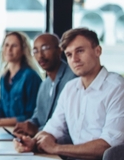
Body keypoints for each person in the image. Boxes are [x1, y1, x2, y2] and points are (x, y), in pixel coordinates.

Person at [14, 28, 124, 159]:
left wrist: (56, 148)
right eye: (69, 55)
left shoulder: (117, 88)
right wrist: (33, 142)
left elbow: (108, 145)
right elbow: (52, 129)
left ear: (98, 51)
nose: (75, 59)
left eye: (80, 51)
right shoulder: (70, 88)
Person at [13, 33, 76, 137]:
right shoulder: (44, 84)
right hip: (42, 142)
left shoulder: (73, 79)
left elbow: (67, 125)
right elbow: (37, 117)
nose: (40, 55)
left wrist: (37, 130)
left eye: (45, 48)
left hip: (61, 145)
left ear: (59, 50)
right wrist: (28, 125)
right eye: (35, 51)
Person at [0, 31, 42, 126]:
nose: (9, 49)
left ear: (23, 50)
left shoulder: (31, 77)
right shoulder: (3, 78)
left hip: (23, 134)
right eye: (6, 45)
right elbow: (1, 113)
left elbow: (31, 117)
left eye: (14, 46)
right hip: (5, 131)